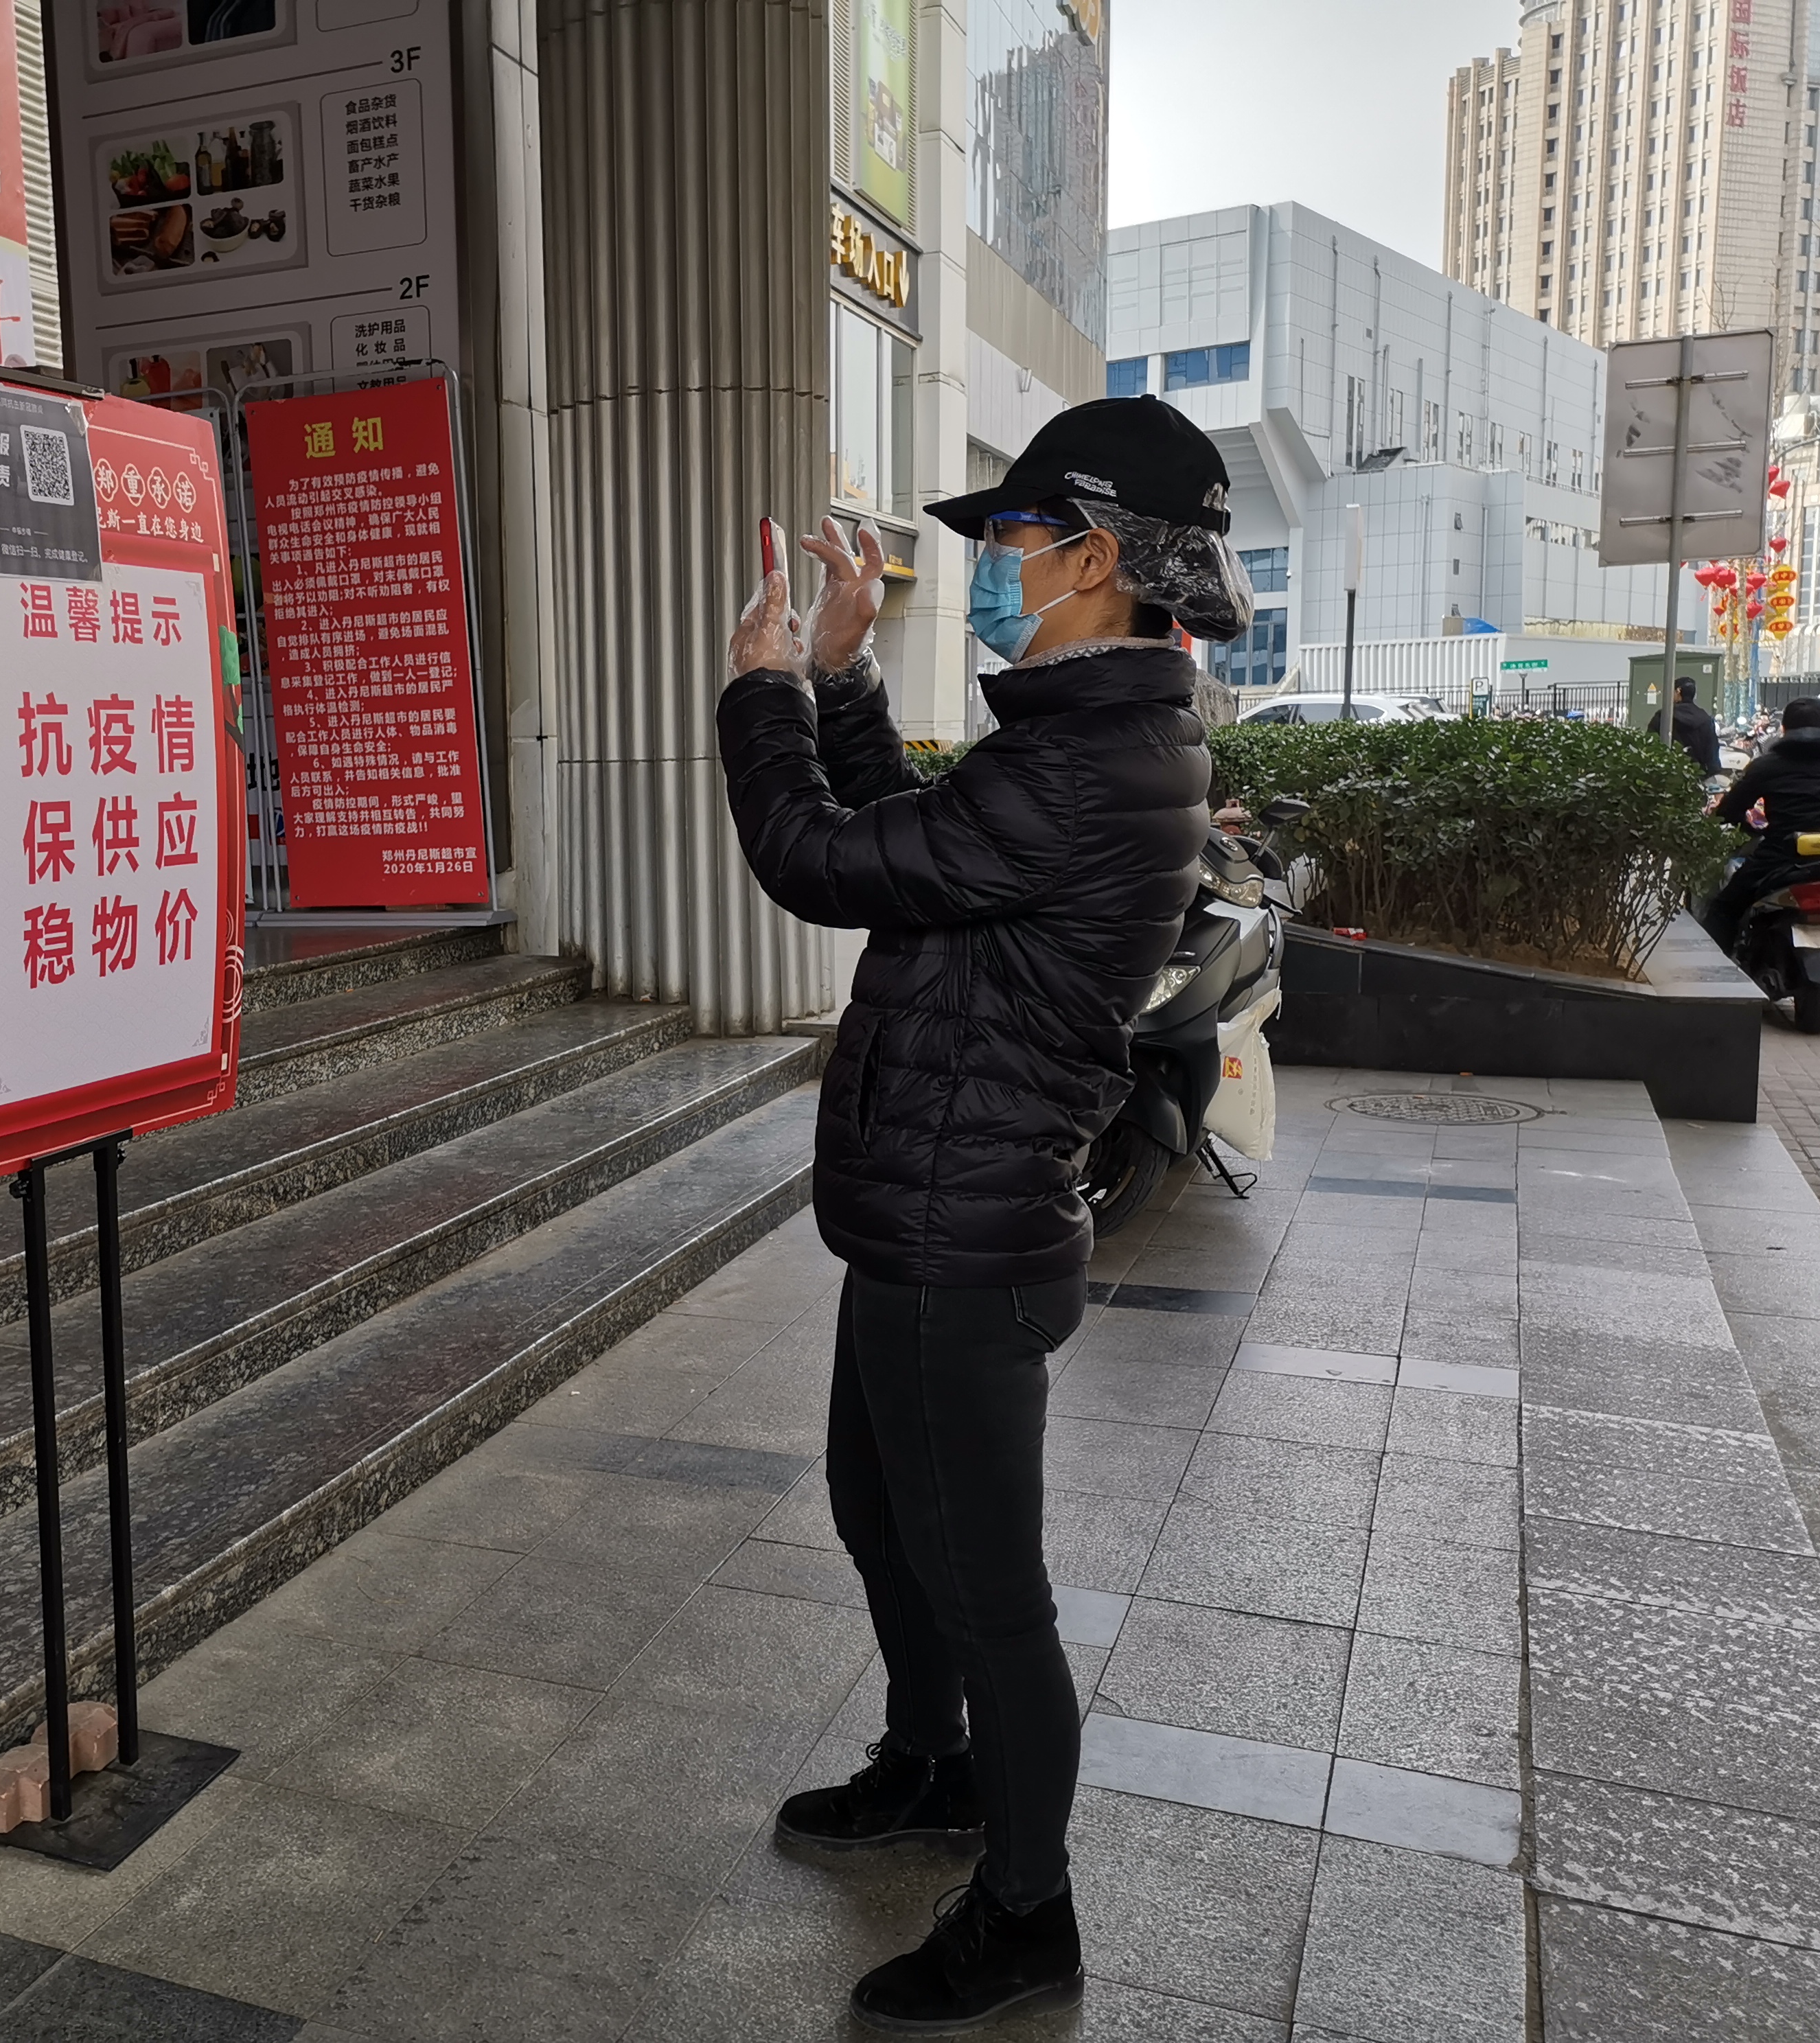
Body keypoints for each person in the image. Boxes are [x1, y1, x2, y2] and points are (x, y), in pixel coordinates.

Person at [719, 395, 1249, 2032]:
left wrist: (759, 694)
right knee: (880, 1515)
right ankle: (930, 1764)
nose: (995, 568)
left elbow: (819, 859)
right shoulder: (1084, 741)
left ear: (1095, 558)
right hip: (928, 1212)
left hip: (966, 1234)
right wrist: (843, 680)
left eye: (1015, 539)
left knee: (988, 1593)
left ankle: (1024, 1912)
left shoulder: (1088, 761)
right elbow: (915, 850)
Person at [1699, 695, 1820, 949]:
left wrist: (1750, 828)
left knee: (1724, 909)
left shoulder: (1766, 766)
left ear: (1783, 729)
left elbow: (1729, 811)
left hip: (1779, 857)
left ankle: (1714, 971)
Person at [1650, 676, 1720, 774]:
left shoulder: (1664, 716)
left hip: (1669, 774)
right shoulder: (1706, 720)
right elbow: (1712, 753)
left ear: (1678, 691)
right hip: (1698, 774)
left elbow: (1651, 744)